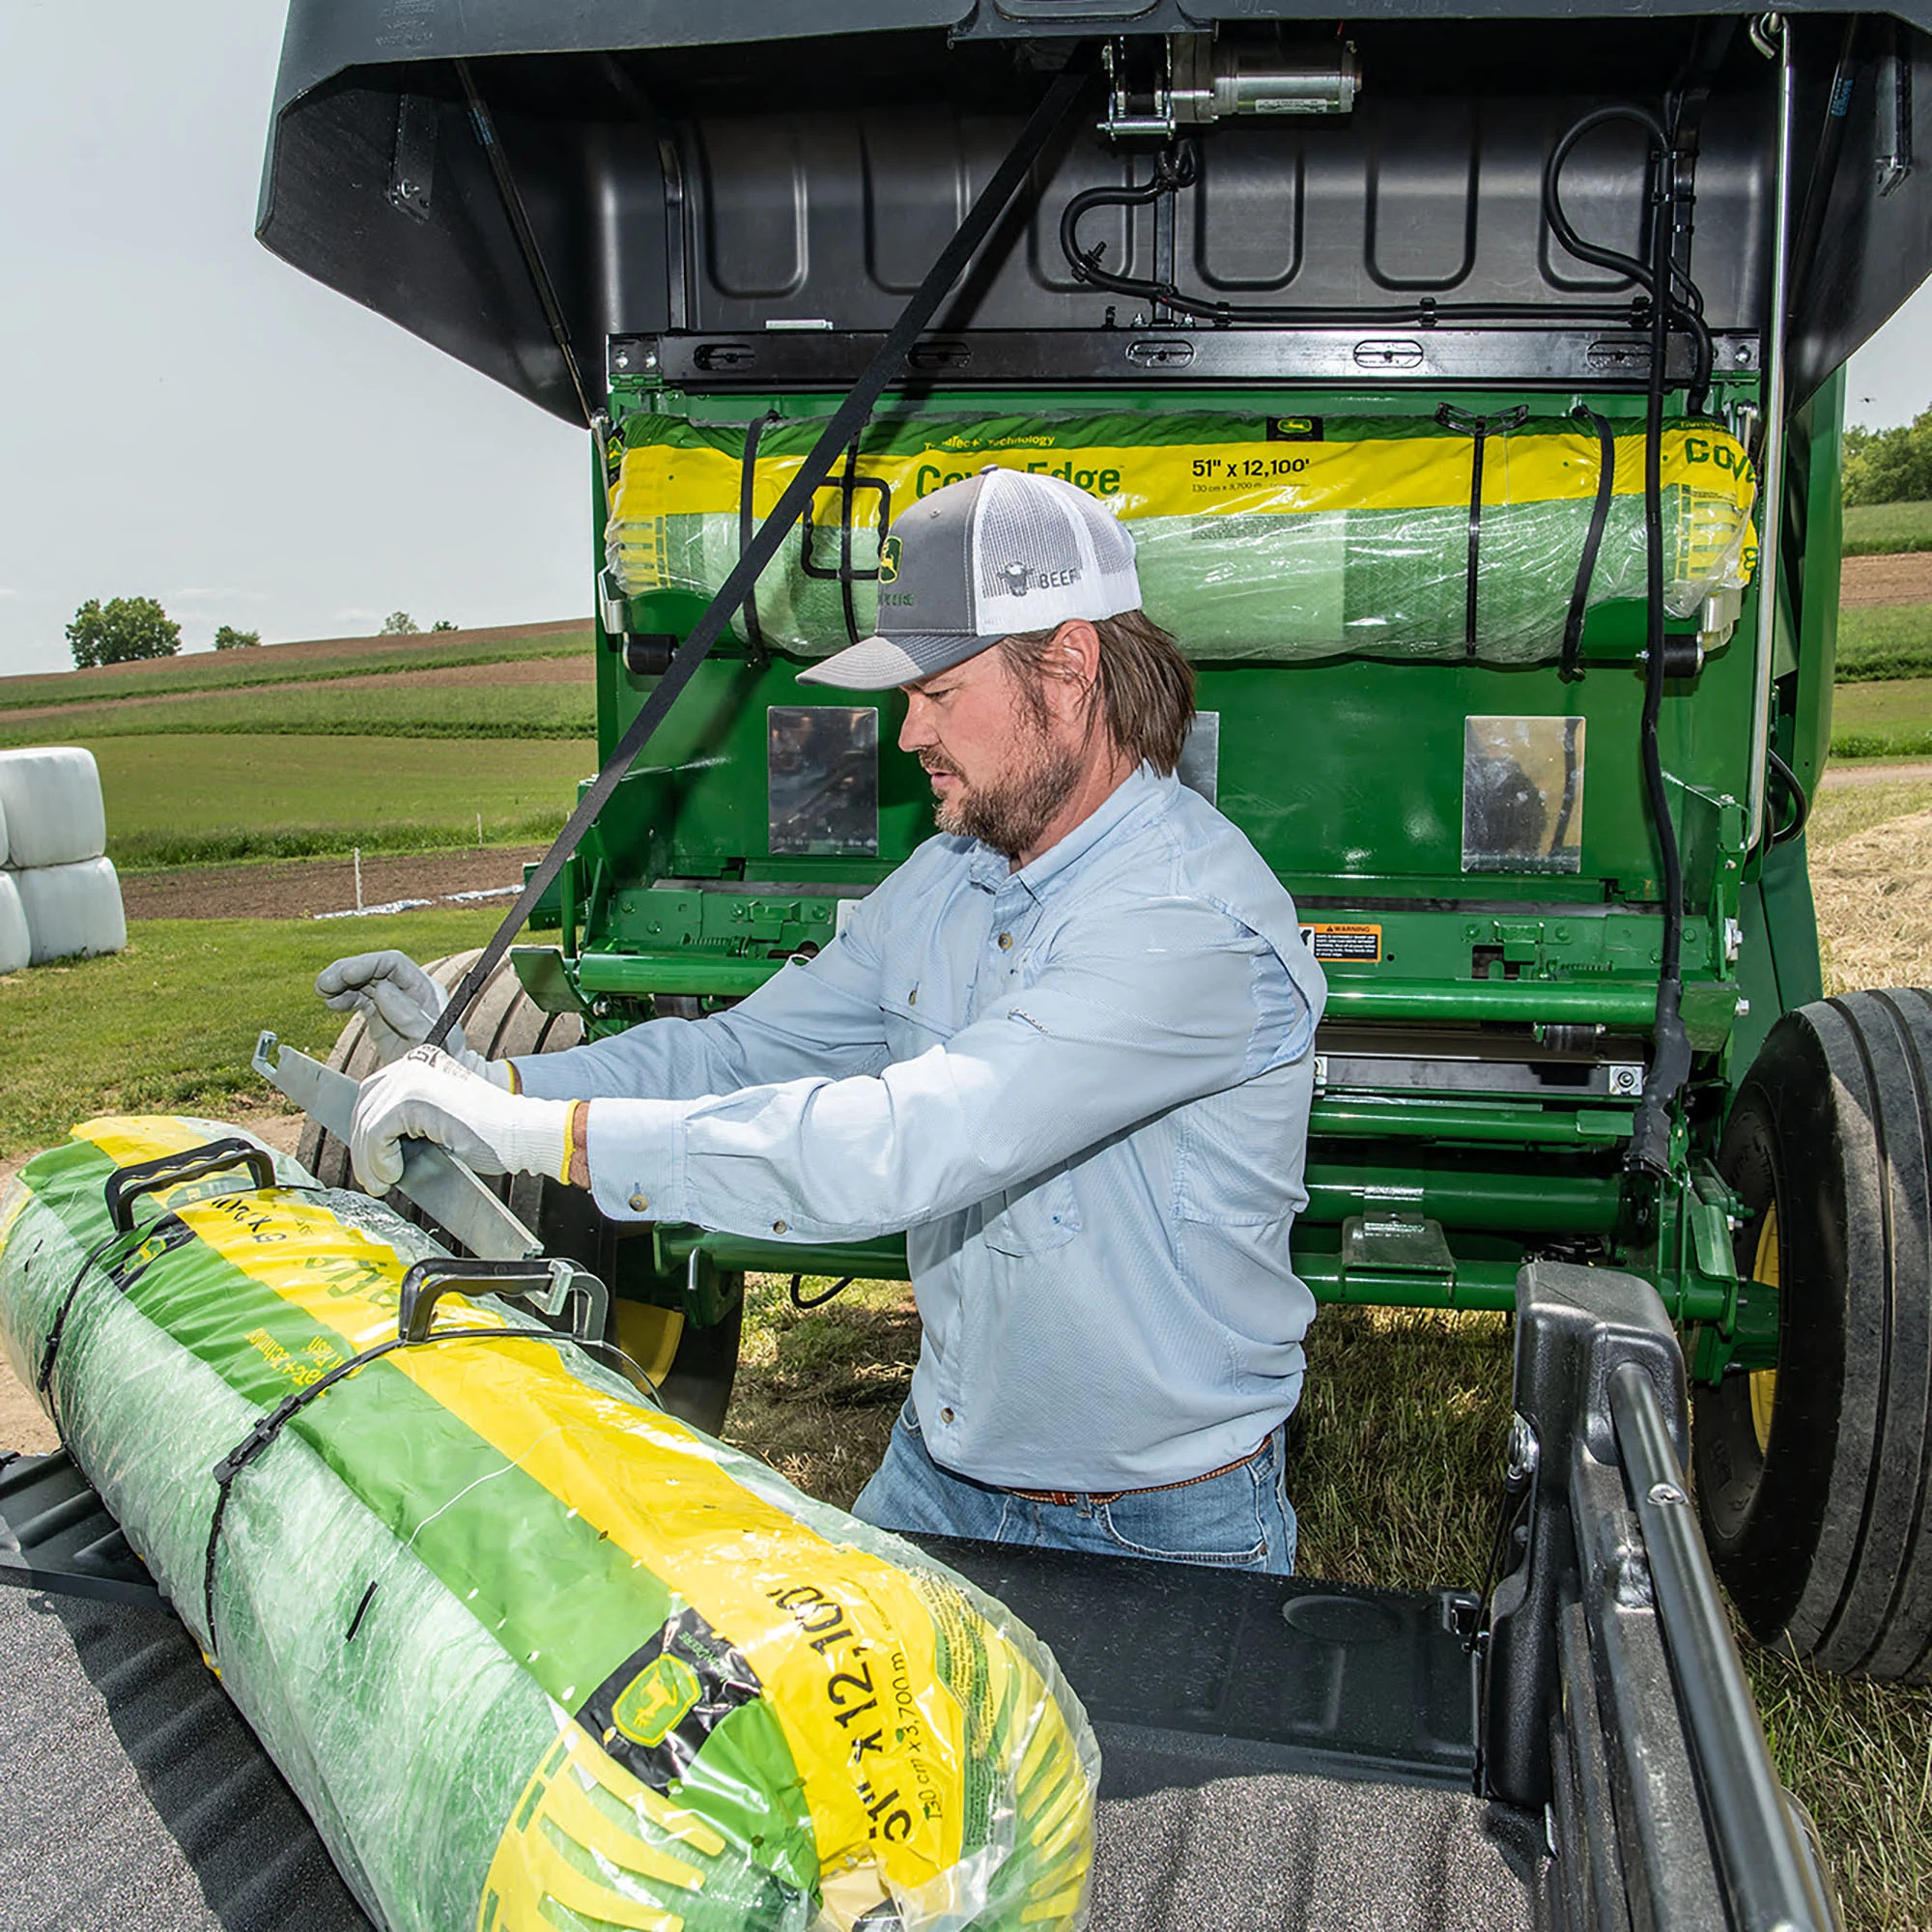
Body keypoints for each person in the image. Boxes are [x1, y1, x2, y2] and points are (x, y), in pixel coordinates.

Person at [324, 468, 1327, 1573]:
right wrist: (487, 1086)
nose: (908, 737)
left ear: (1071, 665)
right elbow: (735, 1049)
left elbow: (915, 1137)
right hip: (941, 1471)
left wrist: (539, 1143)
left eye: (937, 692)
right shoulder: (950, 879)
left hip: (1155, 1524)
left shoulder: (1184, 924)